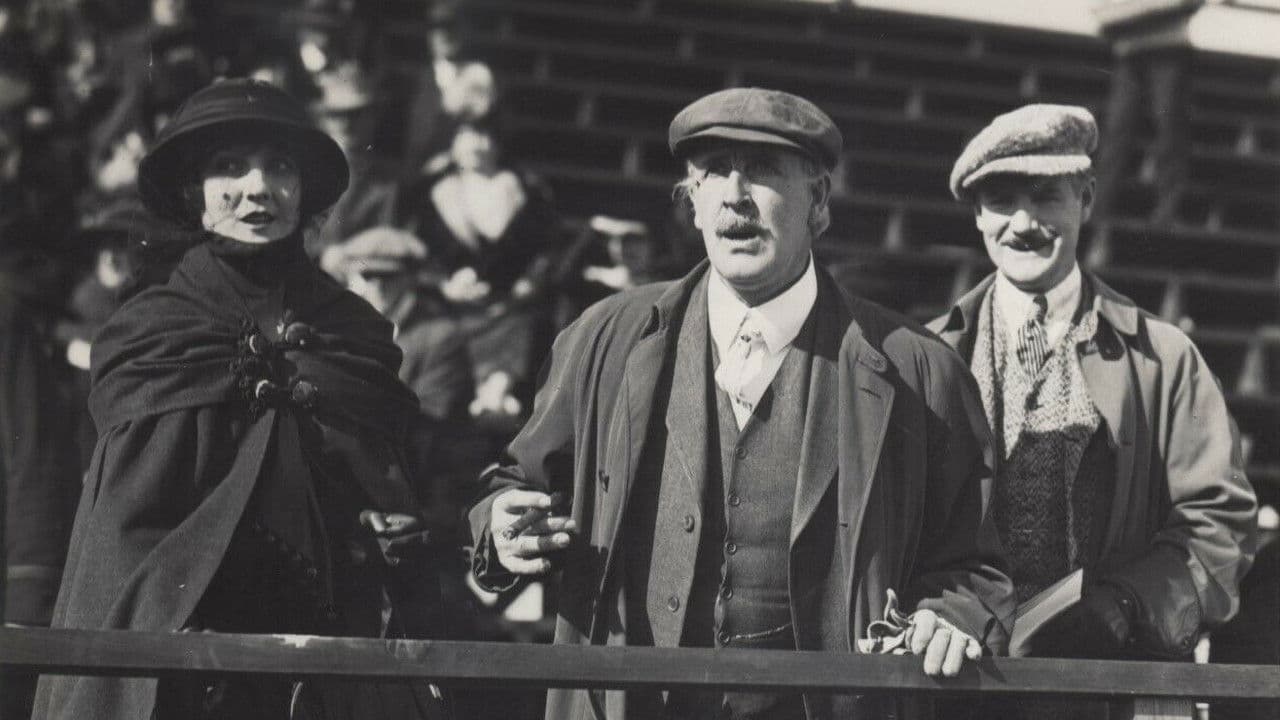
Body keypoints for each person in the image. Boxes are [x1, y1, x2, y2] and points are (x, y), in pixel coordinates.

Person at [466, 87, 1015, 720]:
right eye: (714, 172)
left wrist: (947, 617)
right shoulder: (605, 339)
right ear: (692, 203)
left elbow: (972, 569)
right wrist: (502, 528)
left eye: (763, 170)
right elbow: (515, 485)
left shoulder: (919, 371)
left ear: (818, 202)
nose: (735, 195)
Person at [32, 79, 451, 720]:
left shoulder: (354, 330)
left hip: (331, 665)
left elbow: (387, 492)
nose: (258, 188)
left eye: (279, 166)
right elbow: (126, 532)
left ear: (303, 191)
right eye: (229, 166)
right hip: (184, 669)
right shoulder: (150, 329)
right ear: (193, 195)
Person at [929, 104, 1257, 719]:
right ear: (977, 214)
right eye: (1001, 200)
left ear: (1085, 198)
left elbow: (1219, 523)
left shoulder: (1164, 358)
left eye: (1045, 196)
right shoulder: (928, 357)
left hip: (1112, 687)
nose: (1023, 223)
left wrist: (1130, 603)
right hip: (960, 690)